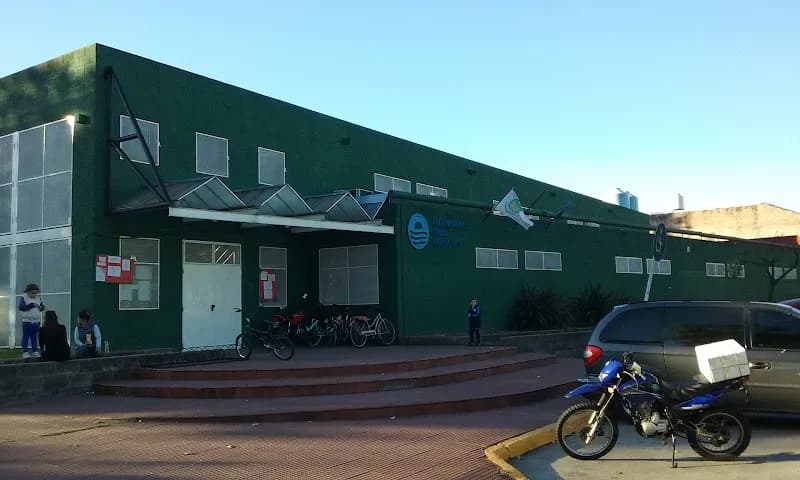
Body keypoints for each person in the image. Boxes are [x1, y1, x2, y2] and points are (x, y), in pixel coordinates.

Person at [18, 283, 46, 359]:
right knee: (26, 336)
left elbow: (42, 307)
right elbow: (21, 307)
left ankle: (35, 351)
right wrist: (32, 305)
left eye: (36, 293)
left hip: (36, 321)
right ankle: (25, 351)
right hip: (27, 321)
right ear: (28, 291)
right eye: (32, 293)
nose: (34, 295)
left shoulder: (38, 298)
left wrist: (41, 307)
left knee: (34, 337)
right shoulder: (24, 297)